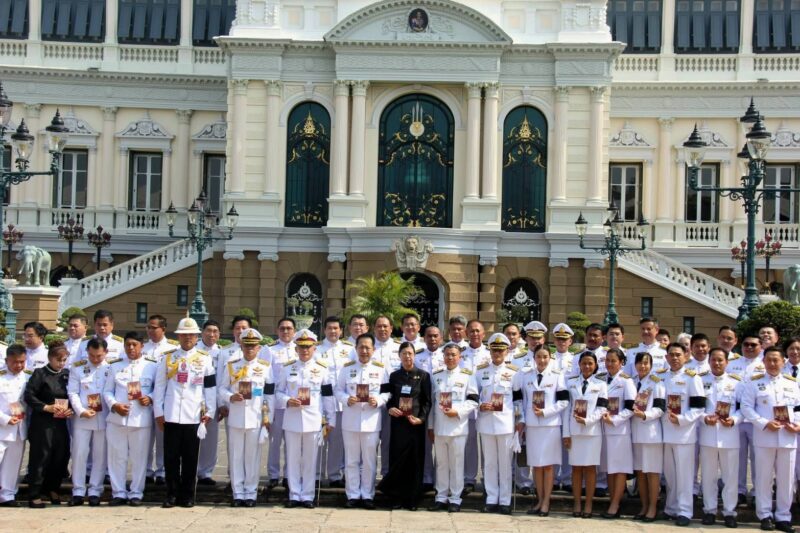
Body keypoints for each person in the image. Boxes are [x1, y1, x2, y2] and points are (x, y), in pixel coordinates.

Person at [153, 317, 216, 508]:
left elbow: (210, 388)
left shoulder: (205, 359)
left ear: (197, 337)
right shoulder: (168, 358)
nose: (187, 338)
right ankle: (171, 494)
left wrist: (210, 411)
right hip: (171, 414)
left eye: (191, 335)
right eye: (184, 335)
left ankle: (187, 495)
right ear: (178, 337)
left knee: (190, 459)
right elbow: (159, 387)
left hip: (193, 414)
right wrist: (158, 412)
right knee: (171, 458)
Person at [741, 346, 800, 533]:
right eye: (769, 360)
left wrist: (797, 424)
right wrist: (764, 423)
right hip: (764, 437)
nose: (773, 363)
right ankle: (764, 515)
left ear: (783, 362)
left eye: (776, 360)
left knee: (786, 480)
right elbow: (746, 408)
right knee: (763, 479)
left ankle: (784, 516)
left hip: (788, 437)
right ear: (763, 362)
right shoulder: (754, 383)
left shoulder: (792, 384)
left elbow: (798, 408)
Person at [276, 329, 335, 508]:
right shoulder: (287, 368)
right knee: (292, 458)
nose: (305, 351)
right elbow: (278, 392)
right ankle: (294, 494)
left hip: (313, 419)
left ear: (314, 348)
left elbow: (328, 397)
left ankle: (308, 495)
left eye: (308, 347)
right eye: (301, 347)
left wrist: (331, 419)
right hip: (292, 418)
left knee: (310, 459)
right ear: (296, 348)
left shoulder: (322, 369)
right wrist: (287, 400)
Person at [219, 328, 274, 507]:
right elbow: (222, 389)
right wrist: (230, 397)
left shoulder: (265, 367)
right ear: (241, 346)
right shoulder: (232, 365)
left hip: (256, 418)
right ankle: (237, 493)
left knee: (253, 457)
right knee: (236, 457)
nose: (250, 349)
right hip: (236, 416)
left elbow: (270, 394)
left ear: (258, 348)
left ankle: (250, 493)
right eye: (246, 346)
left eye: (253, 346)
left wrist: (268, 419)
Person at [335, 333, 390, 509]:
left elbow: (387, 392)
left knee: (369, 460)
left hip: (371, 421)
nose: (364, 351)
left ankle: (367, 495)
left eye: (368, 347)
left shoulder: (381, 369)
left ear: (373, 349)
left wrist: (379, 400)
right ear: (356, 348)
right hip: (350, 420)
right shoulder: (347, 368)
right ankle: (352, 494)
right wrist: (345, 399)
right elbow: (338, 390)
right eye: (361, 347)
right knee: (351, 460)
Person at [103, 331, 157, 506]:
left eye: (135, 344)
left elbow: (159, 388)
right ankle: (118, 492)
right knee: (116, 457)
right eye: (128, 345)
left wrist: (150, 397)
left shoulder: (152, 366)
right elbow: (107, 391)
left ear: (142, 346)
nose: (131, 348)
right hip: (117, 418)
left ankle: (136, 492)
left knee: (139, 458)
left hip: (140, 418)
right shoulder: (115, 366)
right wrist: (114, 405)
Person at [513, 346, 569, 516]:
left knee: (548, 465)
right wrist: (521, 418)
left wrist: (546, 412)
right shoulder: (525, 375)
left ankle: (546, 502)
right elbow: (519, 400)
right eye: (539, 356)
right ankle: (539, 500)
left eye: (545, 357)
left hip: (550, 425)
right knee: (536, 465)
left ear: (550, 358)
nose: (542, 360)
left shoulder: (557, 375)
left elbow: (564, 402)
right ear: (534, 358)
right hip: (532, 425)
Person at [379, 341, 432, 510]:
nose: (407, 357)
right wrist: (390, 408)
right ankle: (396, 497)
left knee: (415, 461)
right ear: (399, 356)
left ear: (414, 355)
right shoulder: (394, 376)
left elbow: (427, 401)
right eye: (404, 354)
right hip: (398, 425)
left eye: (410, 353)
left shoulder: (423, 376)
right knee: (397, 460)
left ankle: (412, 499)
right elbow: (386, 397)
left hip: (415, 425)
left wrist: (422, 419)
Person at [427, 342, 478, 513]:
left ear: (460, 357)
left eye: (453, 355)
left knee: (456, 464)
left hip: (458, 427)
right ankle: (441, 497)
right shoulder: (436, 376)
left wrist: (457, 412)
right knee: (441, 464)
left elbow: (473, 401)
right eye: (447, 354)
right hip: (440, 427)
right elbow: (432, 405)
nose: (450, 358)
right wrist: (431, 427)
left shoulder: (467, 376)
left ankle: (455, 498)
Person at [474, 333, 521, 515]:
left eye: (501, 350)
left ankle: (505, 500)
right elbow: (473, 396)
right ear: (490, 351)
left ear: (507, 350)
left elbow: (518, 400)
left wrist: (520, 421)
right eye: (494, 350)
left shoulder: (514, 373)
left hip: (506, 424)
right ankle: (491, 498)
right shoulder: (480, 372)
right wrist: (480, 405)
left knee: (505, 464)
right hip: (486, 422)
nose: (497, 353)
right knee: (490, 464)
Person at [660, 342, 705, 527]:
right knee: (670, 475)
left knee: (685, 475)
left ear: (686, 356)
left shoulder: (692, 378)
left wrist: (682, 419)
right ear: (666, 357)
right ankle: (671, 508)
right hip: (664, 432)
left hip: (684, 433)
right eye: (671, 354)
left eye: (678, 354)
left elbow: (699, 407)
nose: (675, 358)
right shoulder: (660, 377)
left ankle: (685, 511)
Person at [24, 341, 72, 508]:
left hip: (60, 422)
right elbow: (29, 395)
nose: (62, 363)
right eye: (59, 360)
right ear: (50, 358)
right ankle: (35, 492)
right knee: (41, 456)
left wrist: (71, 410)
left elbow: (72, 395)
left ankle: (52, 488)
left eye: (64, 360)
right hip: (42, 422)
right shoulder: (40, 374)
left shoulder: (66, 374)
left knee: (61, 455)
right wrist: (46, 407)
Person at [699, 347, 741, 528]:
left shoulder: (737, 382)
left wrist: (735, 420)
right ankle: (709, 510)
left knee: (730, 476)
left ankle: (730, 512)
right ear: (709, 361)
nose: (716, 363)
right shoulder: (701, 381)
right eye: (713, 360)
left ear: (727, 362)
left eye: (720, 360)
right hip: (708, 434)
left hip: (729, 435)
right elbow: (696, 407)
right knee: (708, 476)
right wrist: (704, 418)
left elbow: (742, 408)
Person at [563, 351, 608, 518]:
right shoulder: (571, 383)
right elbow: (567, 410)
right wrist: (566, 434)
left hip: (592, 432)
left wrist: (588, 421)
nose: (587, 366)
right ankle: (577, 502)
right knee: (576, 468)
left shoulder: (601, 384)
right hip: (574, 432)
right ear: (579, 365)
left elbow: (602, 408)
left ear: (595, 365)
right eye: (584, 363)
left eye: (590, 363)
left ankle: (588, 503)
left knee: (590, 469)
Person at [67, 338, 110, 506]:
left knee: (100, 455)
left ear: (105, 353)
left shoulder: (111, 367)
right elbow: (72, 392)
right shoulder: (78, 367)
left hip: (104, 416)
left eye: (99, 356)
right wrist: (80, 410)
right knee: (79, 453)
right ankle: (77, 490)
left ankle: (95, 490)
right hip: (83, 417)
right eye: (92, 355)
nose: (95, 359)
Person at [314, 316, 352, 487]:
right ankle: (316, 475)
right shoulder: (316, 350)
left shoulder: (350, 350)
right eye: (329, 328)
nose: (333, 331)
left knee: (337, 442)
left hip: (342, 403)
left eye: (336, 328)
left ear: (341, 331)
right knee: (319, 440)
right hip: (321, 401)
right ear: (324, 330)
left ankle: (335, 475)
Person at [728, 334, 765, 505]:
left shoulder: (765, 364)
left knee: (758, 457)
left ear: (761, 346)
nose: (749, 347)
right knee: (738, 457)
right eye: (746, 344)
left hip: (757, 418)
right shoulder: (732, 364)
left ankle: (758, 490)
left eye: (753, 345)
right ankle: (740, 489)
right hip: (736, 417)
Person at [600, 348, 636, 519]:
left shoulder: (626, 381)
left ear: (621, 362)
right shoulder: (601, 379)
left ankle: (615, 504)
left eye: (613, 361)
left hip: (619, 431)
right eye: (607, 360)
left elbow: (631, 408)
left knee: (620, 469)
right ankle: (611, 500)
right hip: (603, 430)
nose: (609, 364)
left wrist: (614, 420)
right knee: (609, 468)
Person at [630, 352, 665, 522]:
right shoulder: (632, 382)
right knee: (640, 472)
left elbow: (660, 408)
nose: (643, 366)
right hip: (635, 433)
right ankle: (644, 506)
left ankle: (652, 507)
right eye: (640, 363)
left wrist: (645, 415)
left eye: (646, 363)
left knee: (652, 472)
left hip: (651, 433)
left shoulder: (656, 383)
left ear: (651, 365)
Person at [265, 317, 296, 488]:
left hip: (294, 405)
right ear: (277, 331)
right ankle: (273, 474)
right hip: (276, 403)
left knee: (292, 442)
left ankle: (288, 474)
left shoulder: (299, 349)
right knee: (274, 441)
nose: (285, 332)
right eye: (282, 328)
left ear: (294, 331)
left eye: (289, 328)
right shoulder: (269, 350)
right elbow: (266, 378)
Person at [0, 345, 30, 506]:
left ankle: (8, 495)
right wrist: (4, 419)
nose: (18, 365)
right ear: (6, 361)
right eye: (15, 362)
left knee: (13, 464)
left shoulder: (27, 377)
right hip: (2, 427)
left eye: (22, 362)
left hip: (19, 427)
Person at [462, 319, 489, 493]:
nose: (475, 334)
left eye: (478, 331)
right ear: (466, 333)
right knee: (469, 444)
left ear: (484, 333)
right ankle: (469, 478)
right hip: (468, 406)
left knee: (487, 444)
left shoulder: (489, 353)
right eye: (471, 331)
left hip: (487, 407)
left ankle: (488, 478)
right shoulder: (460, 353)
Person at [197, 319, 222, 486]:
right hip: (194, 401)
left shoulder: (222, 353)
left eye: (215, 331)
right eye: (208, 331)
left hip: (213, 402)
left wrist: (220, 404)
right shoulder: (194, 351)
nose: (212, 334)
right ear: (202, 332)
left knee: (211, 439)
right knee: (191, 438)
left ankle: (206, 472)